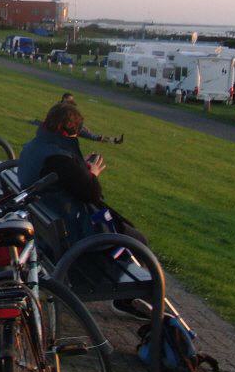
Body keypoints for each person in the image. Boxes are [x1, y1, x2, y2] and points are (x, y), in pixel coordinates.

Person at [17, 100, 148, 318]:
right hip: (73, 237)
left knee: (127, 233)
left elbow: (64, 180)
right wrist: (92, 174)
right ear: (70, 131)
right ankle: (125, 298)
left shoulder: (36, 145)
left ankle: (126, 295)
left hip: (46, 226)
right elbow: (91, 194)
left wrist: (79, 168)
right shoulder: (59, 158)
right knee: (138, 241)